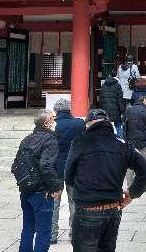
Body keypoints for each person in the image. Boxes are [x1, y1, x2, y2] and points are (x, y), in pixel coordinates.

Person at [65, 109, 146, 252]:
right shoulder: (122, 143)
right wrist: (132, 193)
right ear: (108, 124)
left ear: (88, 124)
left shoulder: (80, 141)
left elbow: (68, 176)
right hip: (113, 208)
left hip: (88, 209)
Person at [15, 109, 63, 252]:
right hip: (41, 191)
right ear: (47, 123)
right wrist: (56, 186)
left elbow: (15, 164)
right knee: (44, 231)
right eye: (54, 119)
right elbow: (46, 165)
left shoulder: (27, 138)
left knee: (28, 228)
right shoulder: (50, 140)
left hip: (26, 189)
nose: (56, 122)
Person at [50, 99, 84, 245]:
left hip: (55, 168)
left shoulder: (53, 125)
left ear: (56, 111)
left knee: (54, 202)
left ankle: (52, 234)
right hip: (74, 168)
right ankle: (74, 233)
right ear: (69, 109)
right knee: (74, 202)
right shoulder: (79, 124)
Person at [123, 95, 146, 187]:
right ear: (144, 101)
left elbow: (124, 124)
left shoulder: (128, 110)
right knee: (143, 163)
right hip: (143, 141)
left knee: (130, 165)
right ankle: (141, 185)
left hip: (130, 141)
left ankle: (130, 185)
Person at [98, 68, 126, 137]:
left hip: (105, 110)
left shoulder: (103, 86)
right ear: (116, 75)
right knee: (118, 126)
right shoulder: (117, 86)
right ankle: (119, 140)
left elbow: (101, 100)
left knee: (106, 126)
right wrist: (123, 111)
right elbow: (120, 100)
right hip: (115, 110)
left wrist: (100, 110)